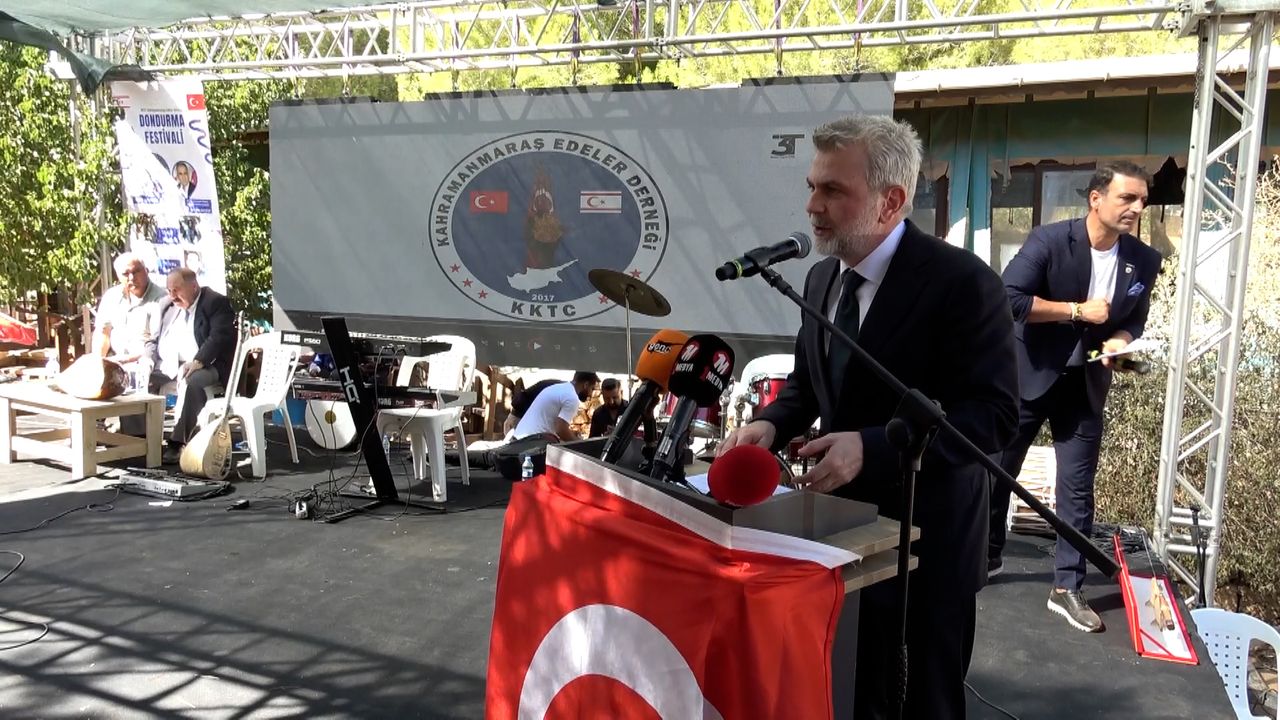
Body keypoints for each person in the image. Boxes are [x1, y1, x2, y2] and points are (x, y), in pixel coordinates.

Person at [718, 115, 1018, 719]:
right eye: (812, 186)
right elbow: (810, 384)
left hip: (927, 549)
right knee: (848, 698)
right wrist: (772, 423)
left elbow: (992, 417)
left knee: (924, 706)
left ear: (891, 201)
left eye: (833, 190)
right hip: (840, 538)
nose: (812, 206)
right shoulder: (820, 278)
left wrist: (875, 447)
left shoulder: (964, 284)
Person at [988, 160, 1162, 633]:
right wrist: (1076, 311)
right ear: (1096, 199)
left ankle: (1067, 587)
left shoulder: (1144, 260)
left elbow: (1134, 318)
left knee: (1077, 488)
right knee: (998, 470)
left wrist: (1120, 342)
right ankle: (987, 554)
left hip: (1085, 385)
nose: (1136, 207)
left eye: (1142, 200)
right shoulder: (1049, 240)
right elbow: (1009, 298)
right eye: (1127, 197)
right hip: (1029, 376)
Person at [144, 268, 237, 463]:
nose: (172, 295)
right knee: (138, 377)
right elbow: (152, 339)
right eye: (169, 290)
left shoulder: (214, 302)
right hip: (169, 363)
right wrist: (148, 360)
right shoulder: (166, 304)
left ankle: (178, 442)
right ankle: (139, 438)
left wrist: (198, 361)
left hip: (208, 364)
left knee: (191, 381)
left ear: (193, 286)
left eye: (177, 290)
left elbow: (218, 338)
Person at [93, 253, 166, 372]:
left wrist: (125, 360)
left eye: (136, 271)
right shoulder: (111, 296)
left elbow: (156, 344)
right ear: (118, 277)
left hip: (147, 365)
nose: (131, 277)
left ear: (146, 271)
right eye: (125, 274)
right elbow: (103, 334)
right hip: (115, 363)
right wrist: (99, 362)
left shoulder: (162, 299)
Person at [510, 371, 599, 442]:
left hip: (520, 439)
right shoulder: (572, 398)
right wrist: (579, 444)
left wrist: (570, 433)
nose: (591, 395)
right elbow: (561, 430)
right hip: (529, 444)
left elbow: (555, 425)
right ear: (585, 385)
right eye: (592, 389)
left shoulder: (560, 388)